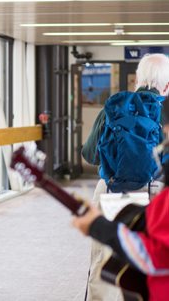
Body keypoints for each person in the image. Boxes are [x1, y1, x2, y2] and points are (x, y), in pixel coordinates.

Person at [81, 53, 169, 300]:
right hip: (155, 195)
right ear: (167, 85)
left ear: (137, 80)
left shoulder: (115, 106)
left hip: (111, 191)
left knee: (104, 260)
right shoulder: (167, 112)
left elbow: (90, 154)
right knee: (152, 259)